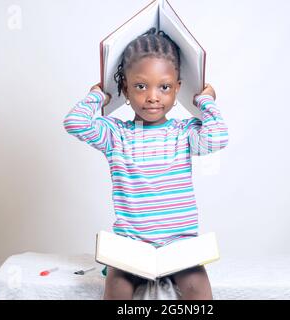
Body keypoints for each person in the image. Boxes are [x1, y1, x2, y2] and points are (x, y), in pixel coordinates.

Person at [63, 28, 229, 299]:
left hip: (179, 243)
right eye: (141, 86)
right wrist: (98, 96)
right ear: (125, 89)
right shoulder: (115, 134)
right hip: (132, 245)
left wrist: (205, 100)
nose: (153, 96)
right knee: (117, 286)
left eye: (164, 87)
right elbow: (75, 122)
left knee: (198, 288)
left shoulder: (185, 132)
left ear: (177, 89)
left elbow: (218, 137)